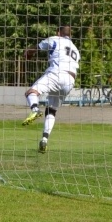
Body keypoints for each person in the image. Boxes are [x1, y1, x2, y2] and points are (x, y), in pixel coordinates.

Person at [22, 25, 80, 153]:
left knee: (31, 92)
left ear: (58, 32)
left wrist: (27, 52)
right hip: (70, 80)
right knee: (52, 110)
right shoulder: (75, 49)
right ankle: (44, 139)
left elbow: (36, 48)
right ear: (70, 35)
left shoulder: (55, 39)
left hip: (56, 73)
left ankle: (35, 110)